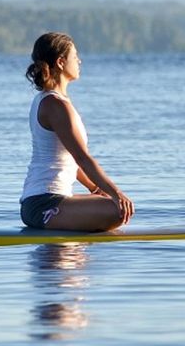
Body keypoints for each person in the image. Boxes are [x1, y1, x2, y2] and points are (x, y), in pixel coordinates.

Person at [19, 32, 134, 232]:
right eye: (75, 56)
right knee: (116, 210)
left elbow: (70, 158)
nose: (79, 61)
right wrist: (116, 194)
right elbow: (81, 157)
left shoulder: (52, 101)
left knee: (110, 204)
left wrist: (96, 189)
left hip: (46, 199)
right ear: (61, 62)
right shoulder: (54, 105)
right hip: (42, 204)